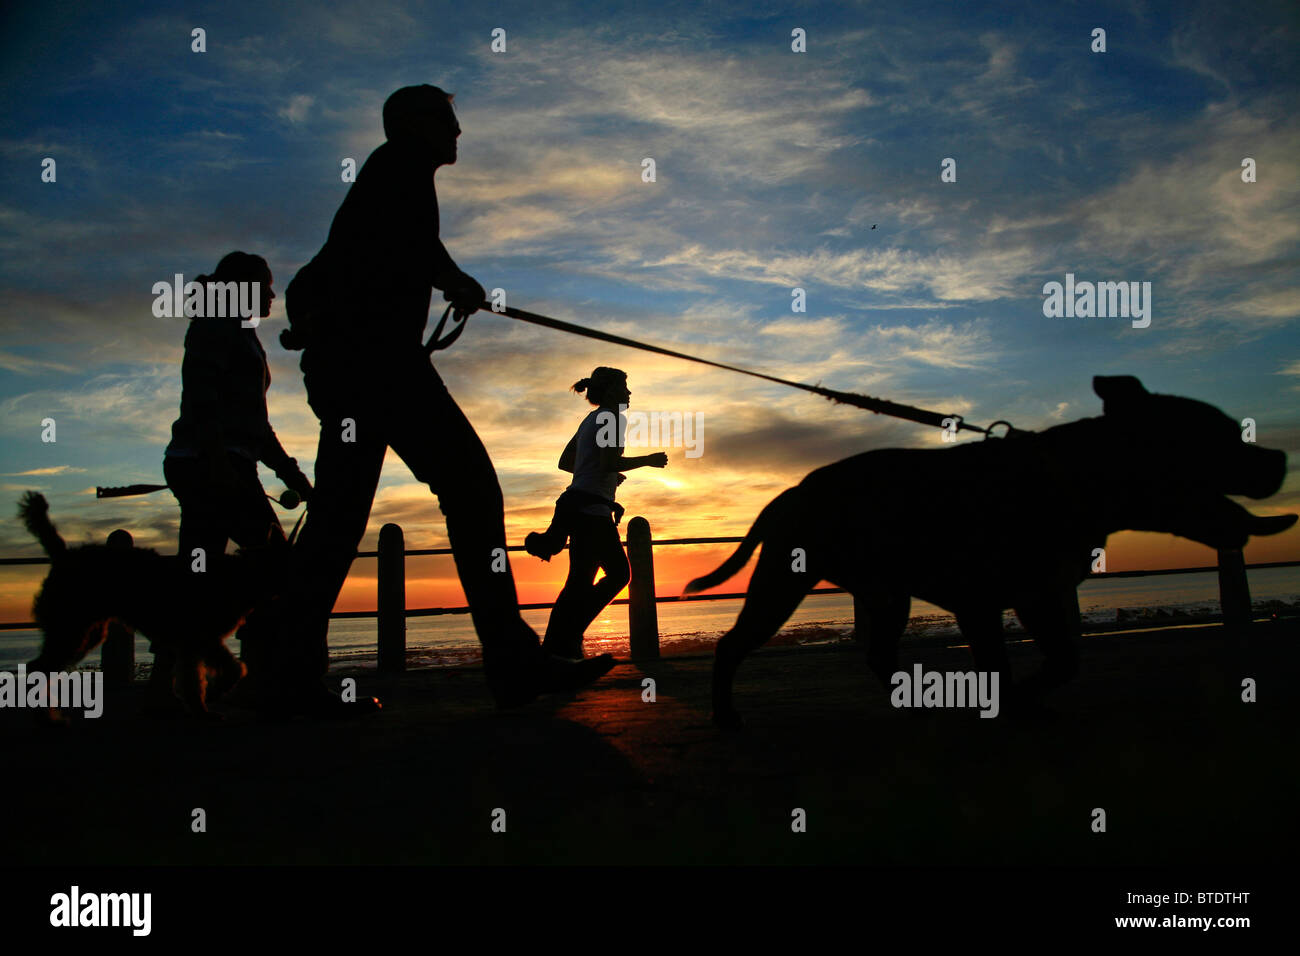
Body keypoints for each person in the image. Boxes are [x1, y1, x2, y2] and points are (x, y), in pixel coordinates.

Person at [273, 84, 615, 714]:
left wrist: (452, 279)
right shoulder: (398, 165)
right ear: (414, 125)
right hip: (379, 369)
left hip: (365, 369)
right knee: (467, 490)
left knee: (344, 515)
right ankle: (510, 663)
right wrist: (456, 279)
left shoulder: (390, 174)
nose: (458, 135)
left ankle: (281, 672)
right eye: (449, 123)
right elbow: (412, 247)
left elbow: (397, 250)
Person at [162, 251, 312, 708]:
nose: (272, 294)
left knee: (198, 575)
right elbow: (203, 400)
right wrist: (219, 465)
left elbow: (255, 426)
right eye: (265, 286)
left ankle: (172, 690)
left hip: (208, 461)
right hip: (215, 463)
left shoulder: (235, 332)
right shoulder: (216, 329)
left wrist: (291, 474)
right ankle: (267, 680)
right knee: (276, 569)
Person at [534, 367, 667, 660]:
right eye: (624, 387)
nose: (629, 393)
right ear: (610, 392)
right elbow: (608, 461)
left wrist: (604, 473)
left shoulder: (590, 420)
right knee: (619, 575)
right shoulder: (611, 418)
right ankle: (566, 636)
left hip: (576, 505)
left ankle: (556, 650)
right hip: (592, 512)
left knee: (578, 582)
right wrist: (649, 459)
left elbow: (567, 461)